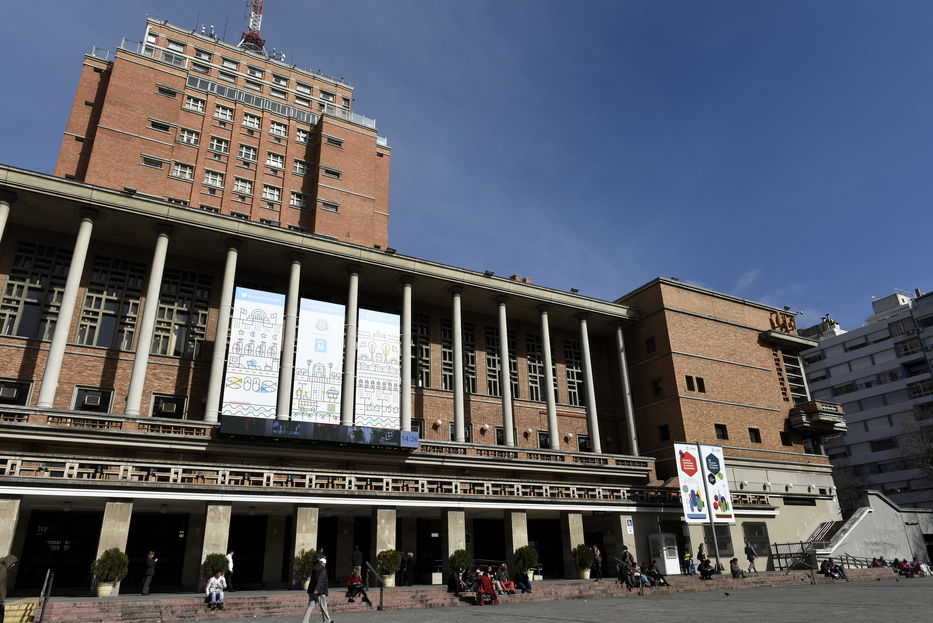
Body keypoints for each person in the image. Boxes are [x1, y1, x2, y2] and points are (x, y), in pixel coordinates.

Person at [302, 555, 333, 623]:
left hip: (311, 591)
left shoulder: (314, 568)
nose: (325, 564)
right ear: (323, 563)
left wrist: (313, 590)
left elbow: (313, 580)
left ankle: (305, 621)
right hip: (319, 591)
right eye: (325, 563)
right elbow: (320, 580)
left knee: (310, 607)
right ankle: (328, 621)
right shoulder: (323, 569)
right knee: (323, 606)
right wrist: (317, 589)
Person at [0, 555, 18, 623]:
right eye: (13, 563)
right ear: (9, 562)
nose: (13, 565)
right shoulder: (2, 569)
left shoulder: (4, 569)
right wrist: (1, 600)